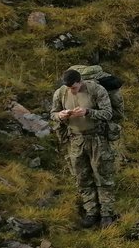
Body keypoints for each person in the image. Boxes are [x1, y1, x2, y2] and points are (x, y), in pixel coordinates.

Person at [50, 68, 118, 228]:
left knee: (103, 176)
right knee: (82, 178)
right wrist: (60, 115)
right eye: (69, 88)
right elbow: (52, 114)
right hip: (75, 140)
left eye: (74, 87)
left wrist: (88, 112)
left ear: (80, 82)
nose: (71, 90)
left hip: (97, 139)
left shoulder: (96, 90)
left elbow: (108, 113)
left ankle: (107, 214)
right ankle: (91, 211)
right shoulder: (61, 93)